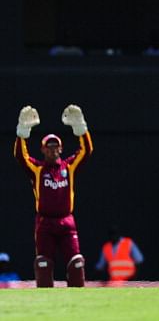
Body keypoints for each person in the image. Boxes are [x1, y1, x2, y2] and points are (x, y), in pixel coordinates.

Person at [14, 104, 93, 287]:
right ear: (42, 150)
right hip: (45, 223)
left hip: (67, 222)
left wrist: (81, 128)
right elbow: (20, 156)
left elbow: (86, 151)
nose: (52, 150)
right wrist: (22, 133)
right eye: (48, 147)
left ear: (61, 149)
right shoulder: (37, 170)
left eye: (56, 146)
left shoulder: (69, 167)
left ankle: (79, 308)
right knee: (43, 265)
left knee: (76, 264)